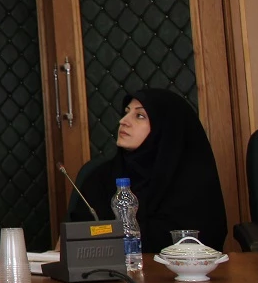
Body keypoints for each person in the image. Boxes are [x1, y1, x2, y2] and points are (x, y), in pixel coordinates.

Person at [70, 88, 227, 252]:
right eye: (126, 112)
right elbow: (78, 236)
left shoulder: (193, 180)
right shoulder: (100, 177)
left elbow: (202, 240)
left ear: (165, 127)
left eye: (139, 116)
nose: (123, 121)